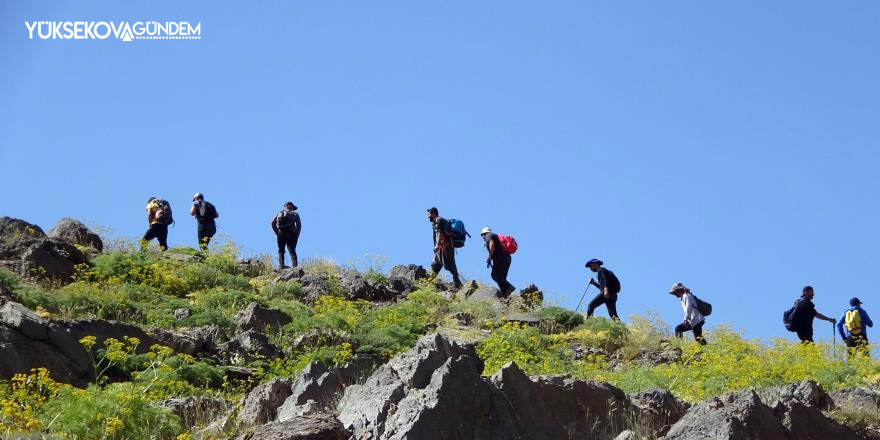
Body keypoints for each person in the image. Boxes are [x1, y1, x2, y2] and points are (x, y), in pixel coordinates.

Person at [427, 207, 462, 289]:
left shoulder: (439, 220)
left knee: (450, 264)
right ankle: (429, 282)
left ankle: (457, 283)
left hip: (445, 247)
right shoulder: (435, 222)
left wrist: (437, 245)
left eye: (429, 215)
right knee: (435, 264)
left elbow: (441, 233)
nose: (428, 217)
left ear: (433, 213)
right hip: (441, 248)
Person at [480, 227, 515, 297]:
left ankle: (509, 287)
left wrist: (489, 257)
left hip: (501, 258)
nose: (482, 238)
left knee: (495, 275)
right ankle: (505, 293)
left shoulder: (489, 235)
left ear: (484, 234)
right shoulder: (494, 236)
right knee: (500, 277)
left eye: (482, 235)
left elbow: (492, 245)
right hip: (506, 258)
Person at [271, 202, 301, 269]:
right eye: (293, 207)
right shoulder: (295, 214)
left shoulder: (279, 213)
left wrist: (277, 233)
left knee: (281, 250)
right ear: (290, 206)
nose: (294, 209)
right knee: (292, 251)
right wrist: (296, 236)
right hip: (291, 234)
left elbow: (272, 223)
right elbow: (299, 226)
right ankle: (295, 267)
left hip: (280, 233)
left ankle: (281, 266)